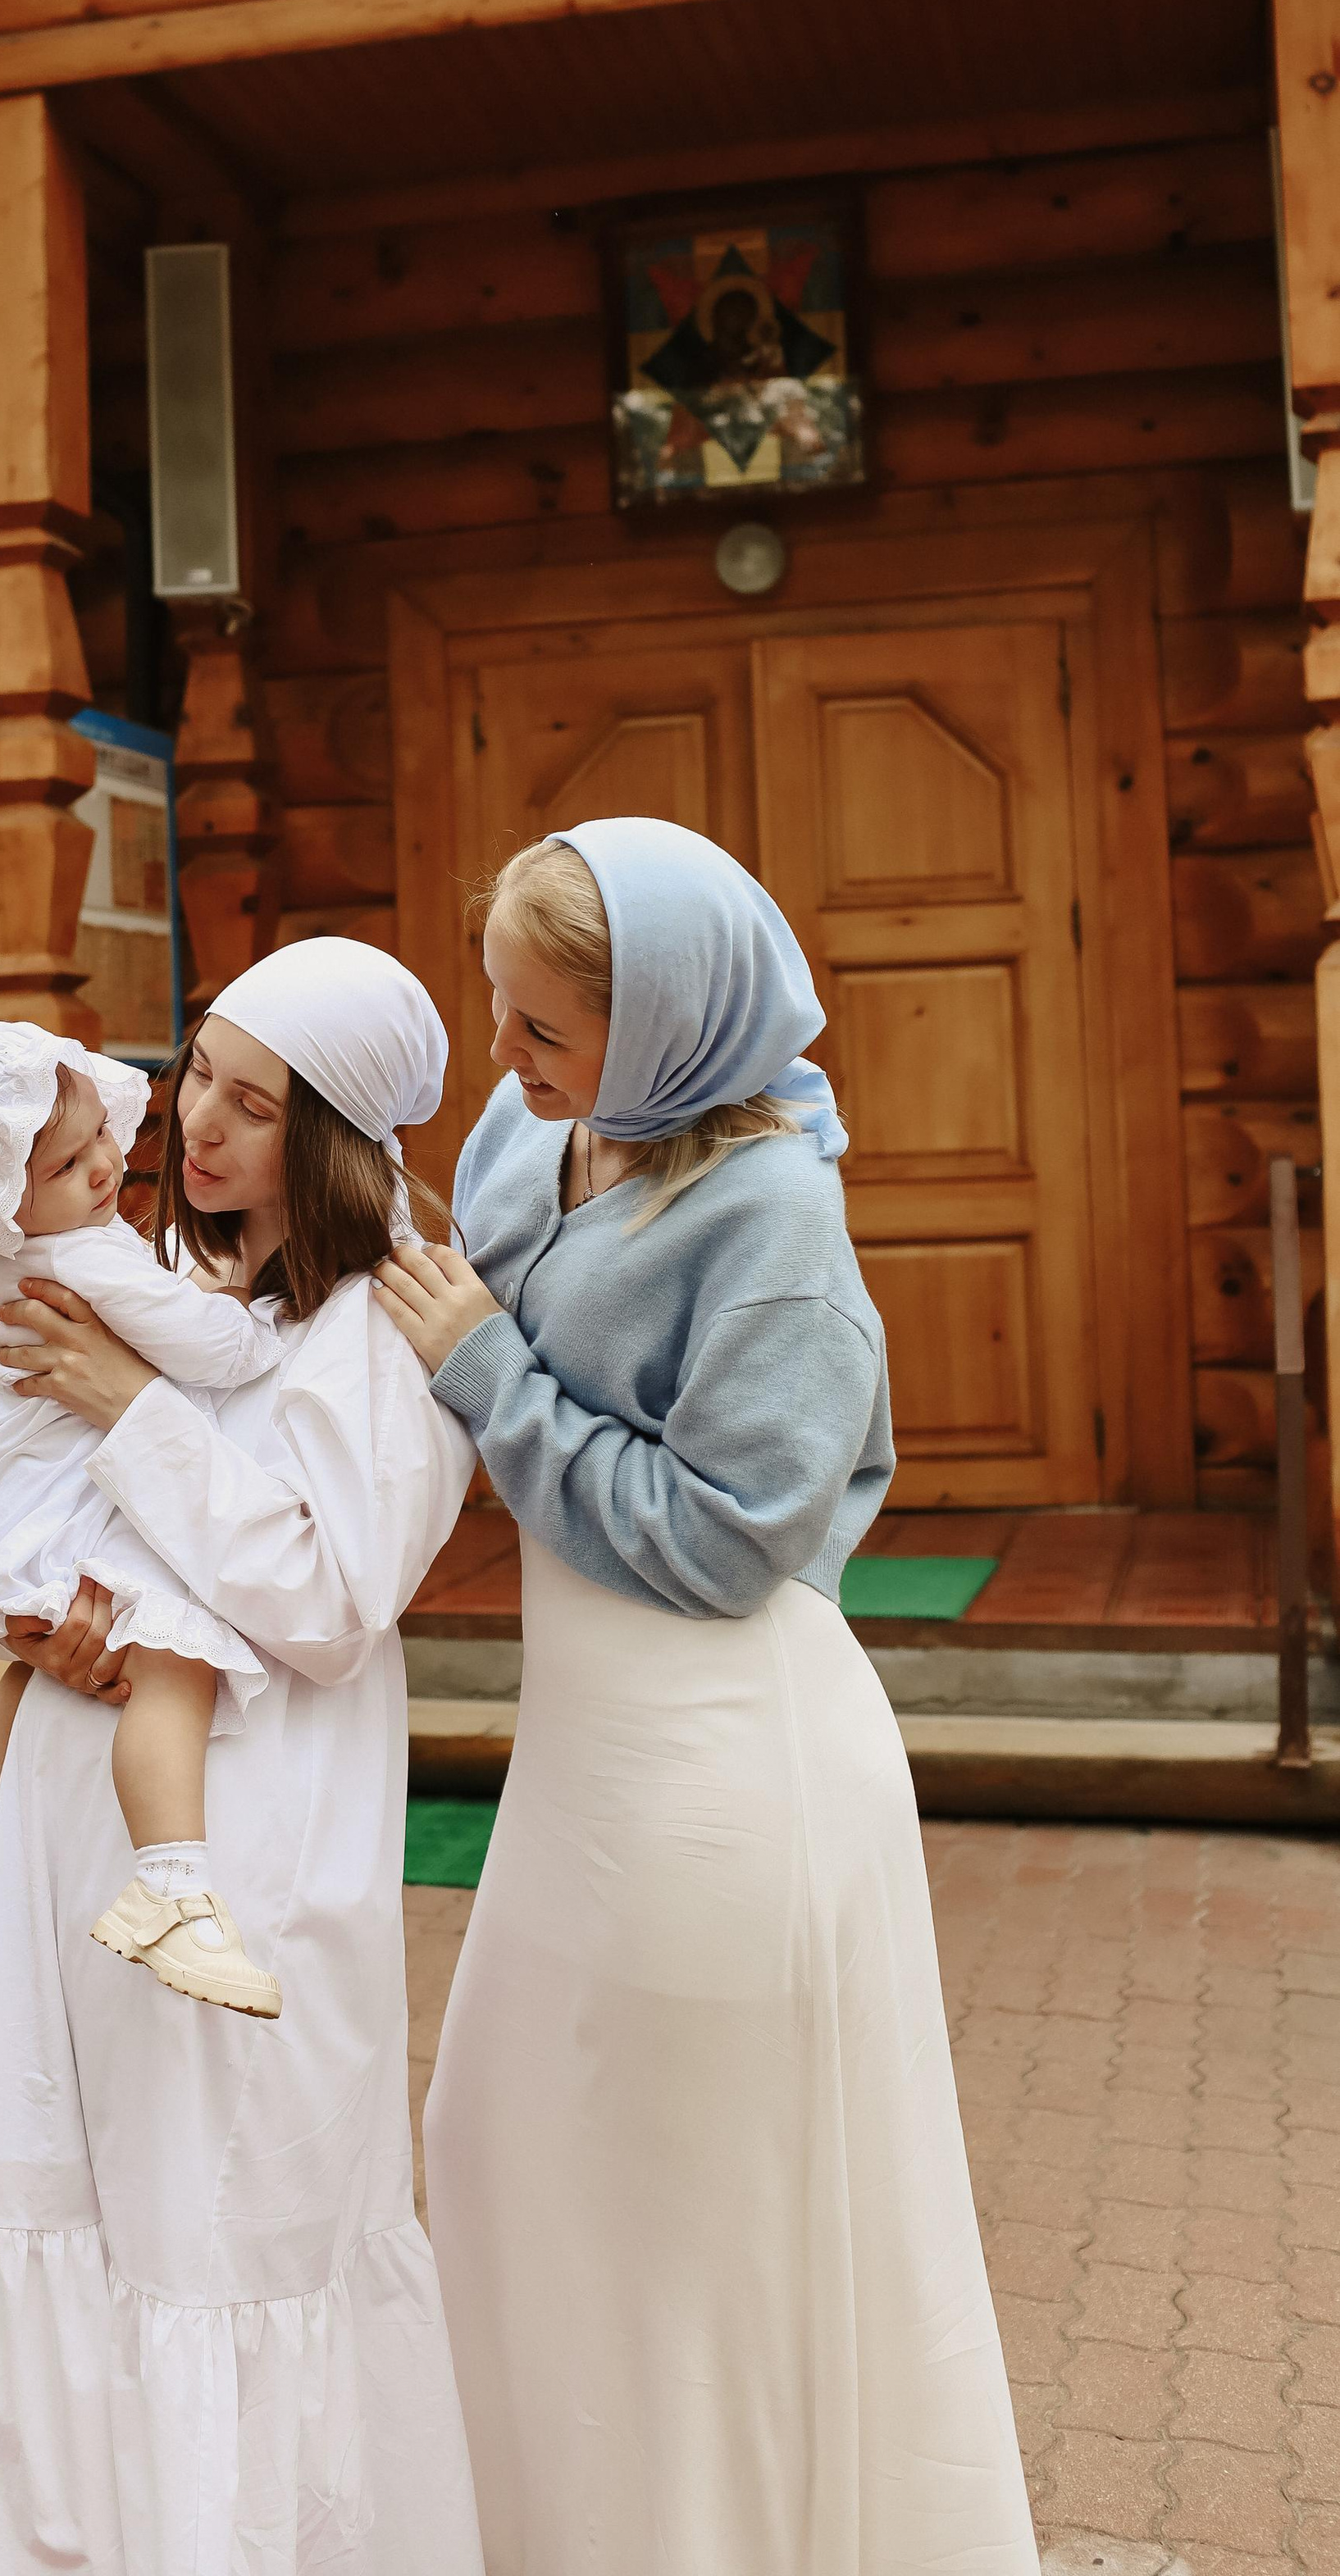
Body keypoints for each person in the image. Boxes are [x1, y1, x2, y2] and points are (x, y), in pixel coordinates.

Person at [376, 817, 1038, 2576]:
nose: (503, 1069)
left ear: (666, 1021)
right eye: (497, 1017)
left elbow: (726, 1537)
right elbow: (466, 1279)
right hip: (585, 1764)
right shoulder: (555, 1132)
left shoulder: (774, 1223)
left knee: (689, 2228)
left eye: (540, 1030)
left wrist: (481, 1375)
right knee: (510, 2154)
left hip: (718, 1773)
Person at [0, 939, 485, 2576]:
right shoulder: (168, 1272)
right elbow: (41, 1510)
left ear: (340, 1137)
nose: (196, 1124)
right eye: (199, 1071)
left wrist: (135, 1407)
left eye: (251, 1101)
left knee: (219, 2235)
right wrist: (42, 1623)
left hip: (255, 1849)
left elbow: (326, 1594)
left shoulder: (384, 1323)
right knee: (59, 2214)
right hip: (79, 1822)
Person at [0, 1020, 283, 2017]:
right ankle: (172, 1887)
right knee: (176, 1664)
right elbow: (211, 1352)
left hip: (12, 1522)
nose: (105, 1163)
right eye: (64, 1162)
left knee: (26, 1667)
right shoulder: (78, 1258)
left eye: (97, 1134)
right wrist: (237, 1306)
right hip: (63, 1522)